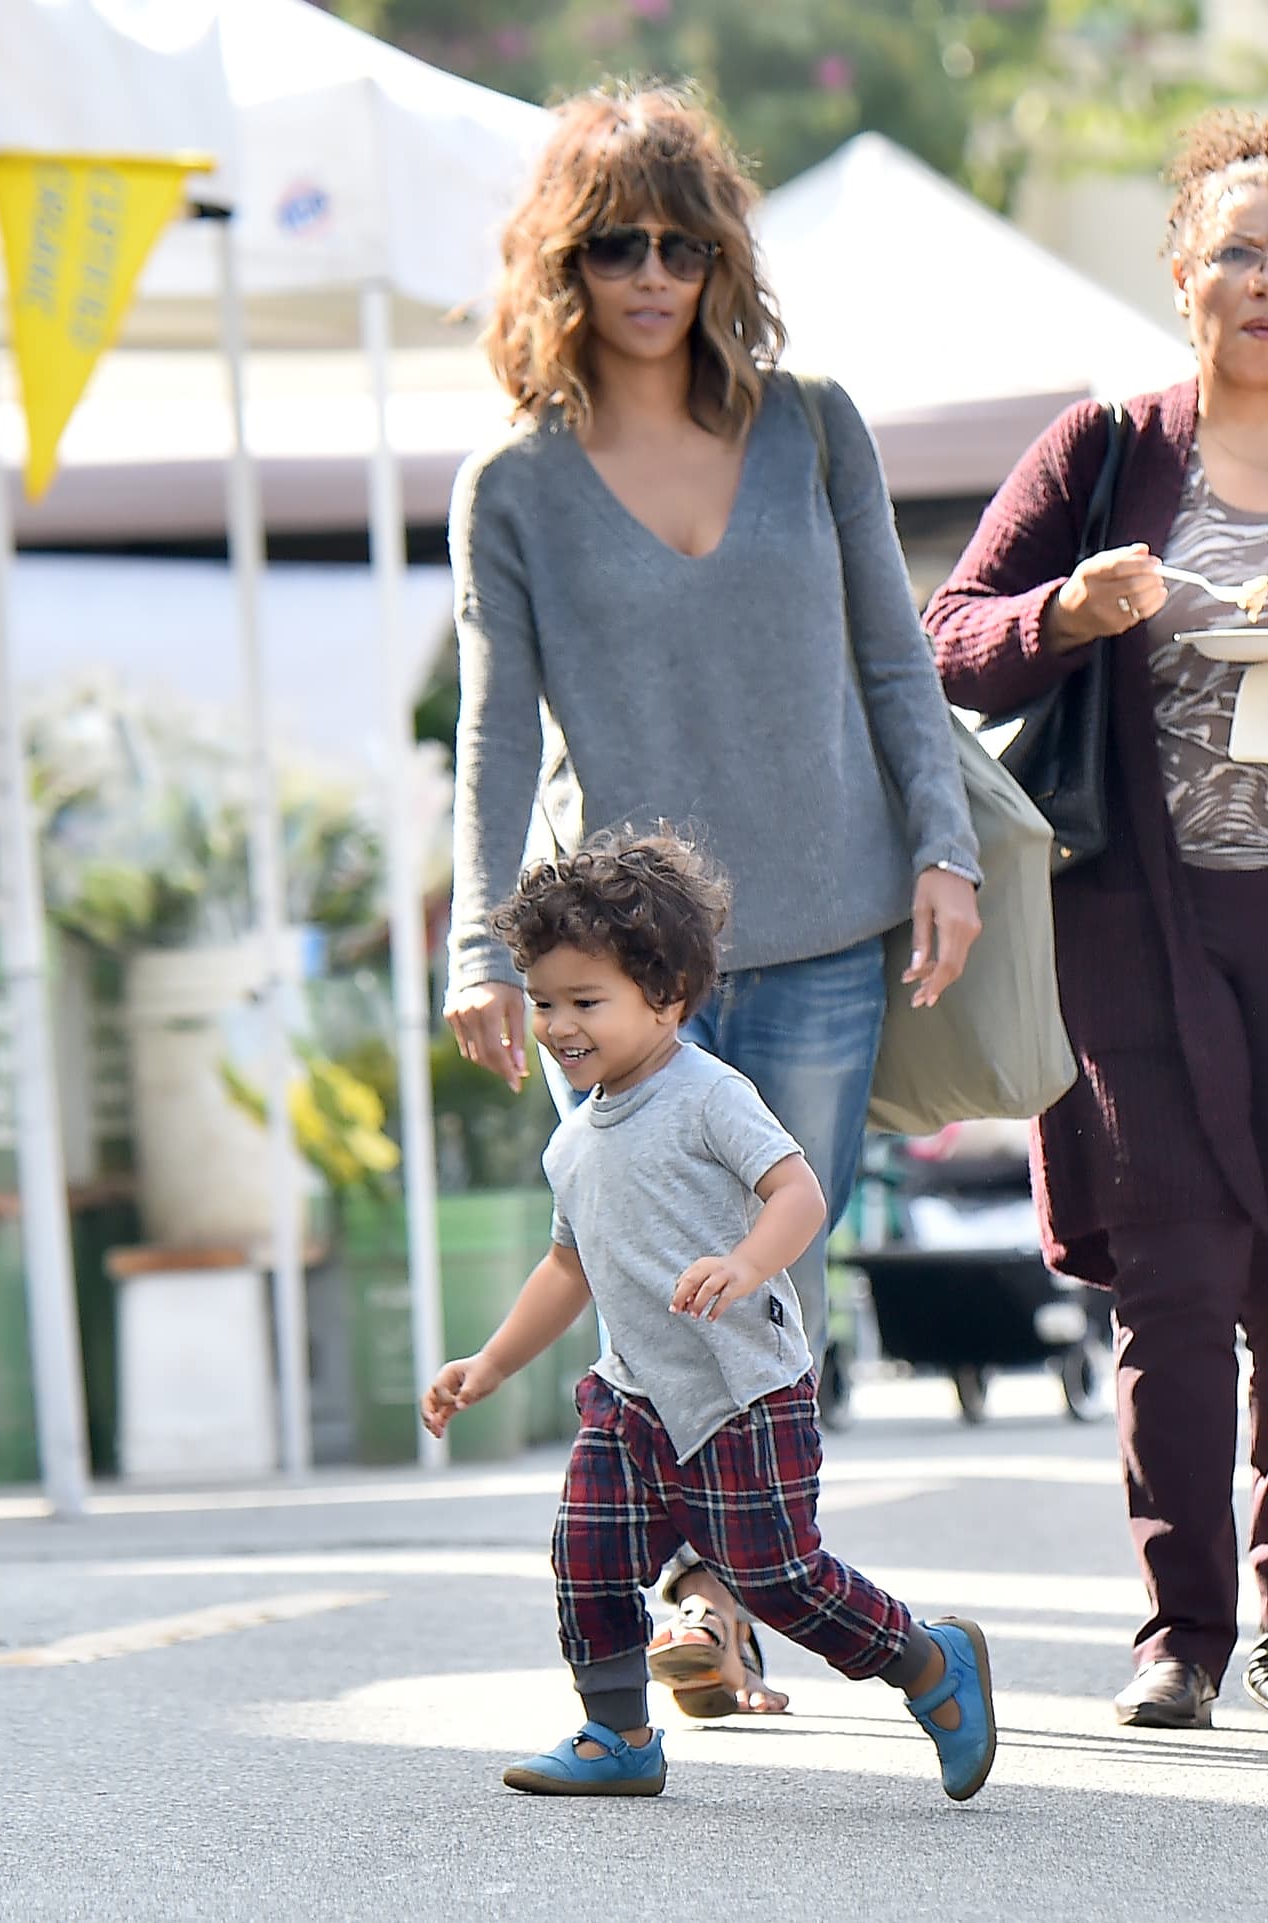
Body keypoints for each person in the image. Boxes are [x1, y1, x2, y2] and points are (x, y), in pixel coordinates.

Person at [442, 80, 982, 1716]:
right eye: (618, 243)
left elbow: (899, 656)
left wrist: (942, 846)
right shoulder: (516, 485)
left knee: (770, 1285)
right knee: (633, 1270)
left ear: (721, 253)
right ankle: (708, 1600)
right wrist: (482, 941)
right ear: (567, 263)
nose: (655, 271)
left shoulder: (813, 424)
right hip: (613, 966)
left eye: (685, 239)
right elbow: (491, 728)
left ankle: (725, 1591)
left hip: (822, 921)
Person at [924, 108, 1268, 1730]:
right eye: (1242, 252)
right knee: (1181, 1277)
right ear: (1182, 274)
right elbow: (948, 638)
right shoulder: (1108, 451)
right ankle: (1184, 1630)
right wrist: (1070, 607)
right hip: (1141, 928)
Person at [422, 832, 997, 1800]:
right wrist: (489, 1363)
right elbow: (566, 1267)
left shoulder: (705, 1095)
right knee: (588, 1556)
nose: (559, 1026)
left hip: (741, 1394)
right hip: (633, 1397)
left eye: (586, 1002)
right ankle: (616, 1736)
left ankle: (925, 1661)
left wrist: (742, 1262)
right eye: (547, 1001)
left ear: (669, 995)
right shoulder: (573, 1140)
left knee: (779, 1581)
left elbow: (799, 1194)